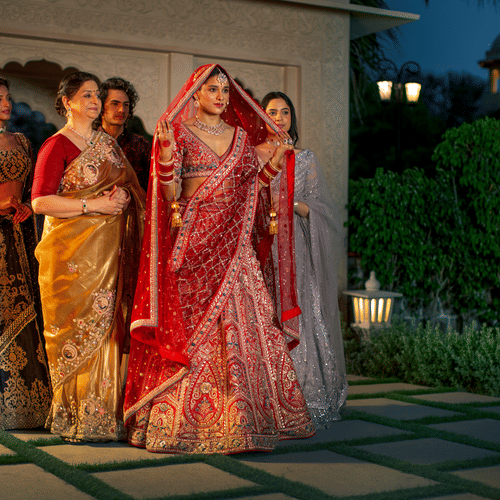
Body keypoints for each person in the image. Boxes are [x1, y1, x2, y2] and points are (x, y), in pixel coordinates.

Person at [124, 64, 315, 454]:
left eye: (225, 91)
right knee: (193, 330)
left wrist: (276, 160)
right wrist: (162, 155)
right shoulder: (178, 133)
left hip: (235, 247)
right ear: (194, 94)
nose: (221, 97)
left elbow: (255, 188)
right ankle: (180, 422)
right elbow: (169, 193)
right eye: (212, 89)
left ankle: (243, 420)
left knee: (244, 325)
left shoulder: (242, 138)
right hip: (194, 243)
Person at [31, 72, 146, 442]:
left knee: (110, 326)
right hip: (71, 258)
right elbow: (40, 202)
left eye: (97, 95)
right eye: (86, 95)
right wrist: (93, 204)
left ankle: (108, 415)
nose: (95, 102)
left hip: (109, 255)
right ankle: (78, 417)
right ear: (67, 101)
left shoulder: (106, 143)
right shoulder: (56, 145)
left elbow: (128, 186)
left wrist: (124, 199)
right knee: (79, 331)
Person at [256, 92, 348, 428]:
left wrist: (290, 206)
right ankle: (265, 394)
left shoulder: (304, 158)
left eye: (284, 112)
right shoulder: (253, 155)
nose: (278, 118)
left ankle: (306, 394)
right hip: (262, 245)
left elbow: (321, 209)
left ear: (292, 117)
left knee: (300, 313)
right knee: (263, 313)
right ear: (261, 116)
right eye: (271, 112)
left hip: (295, 248)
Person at [0, 77, 52, 429]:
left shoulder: (21, 140)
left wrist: (28, 209)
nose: (6, 102)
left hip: (18, 235)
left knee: (27, 306)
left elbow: (34, 188)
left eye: (7, 96)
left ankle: (27, 408)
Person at [99, 77, 151, 191]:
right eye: (115, 104)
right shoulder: (88, 142)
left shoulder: (141, 145)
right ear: (101, 106)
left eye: (126, 104)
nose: (122, 110)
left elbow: (151, 190)